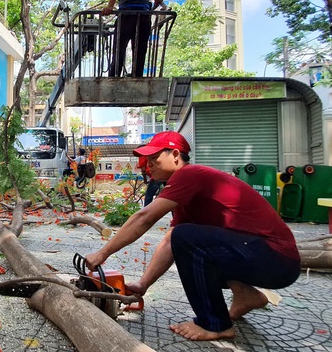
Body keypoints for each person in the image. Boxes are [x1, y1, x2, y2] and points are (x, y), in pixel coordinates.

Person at [84, 131, 300, 341]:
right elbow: (170, 241)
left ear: (176, 156)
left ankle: (214, 324)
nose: (148, 165)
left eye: (154, 158)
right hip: (262, 258)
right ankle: (246, 295)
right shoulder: (184, 193)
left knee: (186, 236)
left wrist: (103, 253)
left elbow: (144, 217)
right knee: (186, 238)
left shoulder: (190, 174)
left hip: (276, 258)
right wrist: (143, 285)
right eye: (146, 160)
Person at [100, 0, 164, 77]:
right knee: (140, 51)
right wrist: (157, 0)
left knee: (119, 50)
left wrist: (110, 5)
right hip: (144, 16)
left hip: (127, 15)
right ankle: (137, 76)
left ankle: (113, 78)